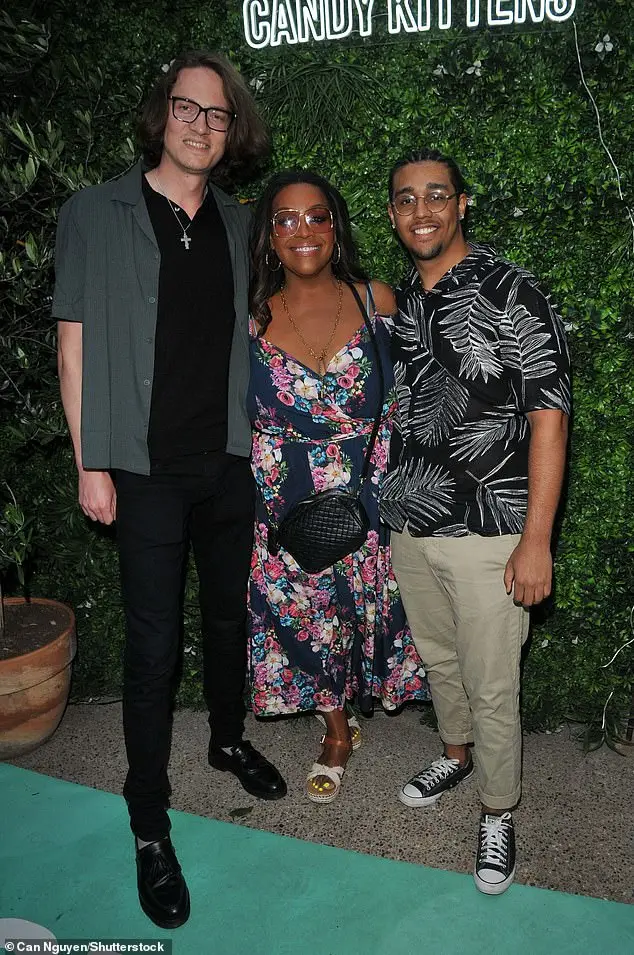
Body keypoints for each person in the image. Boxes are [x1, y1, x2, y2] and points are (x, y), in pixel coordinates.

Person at [54, 51, 287, 930]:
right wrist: (89, 462)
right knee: (154, 652)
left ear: (234, 133)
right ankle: (148, 822)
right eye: (187, 108)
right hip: (141, 469)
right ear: (162, 115)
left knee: (230, 618)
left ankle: (227, 739)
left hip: (227, 461)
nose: (200, 124)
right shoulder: (95, 211)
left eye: (218, 115)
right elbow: (73, 346)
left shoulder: (237, 222)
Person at [381, 149, 570, 895]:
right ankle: (455, 754)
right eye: (405, 200)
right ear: (393, 214)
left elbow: (550, 418)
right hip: (414, 519)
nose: (421, 211)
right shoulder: (407, 298)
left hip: (494, 527)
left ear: (462, 204)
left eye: (436, 196)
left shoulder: (509, 290)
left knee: (493, 680)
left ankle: (498, 809)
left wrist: (537, 540)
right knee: (442, 659)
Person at [247, 170, 428, 804]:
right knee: (304, 615)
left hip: (368, 488)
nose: (303, 231)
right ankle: (334, 729)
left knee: (366, 607)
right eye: (285, 219)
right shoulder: (249, 318)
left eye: (317, 217)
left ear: (336, 228)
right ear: (268, 236)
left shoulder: (378, 300)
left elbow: (423, 390)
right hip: (286, 495)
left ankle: (363, 704)